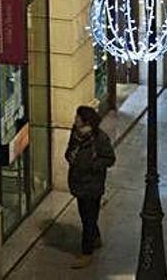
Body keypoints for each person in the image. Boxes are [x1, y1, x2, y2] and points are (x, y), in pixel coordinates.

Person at [65, 105, 116, 269]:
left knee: (88, 218)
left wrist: (92, 165)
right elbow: (70, 150)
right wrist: (70, 157)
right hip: (79, 182)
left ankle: (86, 253)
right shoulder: (76, 134)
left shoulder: (99, 139)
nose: (75, 119)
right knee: (86, 215)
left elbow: (110, 159)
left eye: (77, 117)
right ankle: (95, 237)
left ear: (85, 121)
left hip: (92, 185)